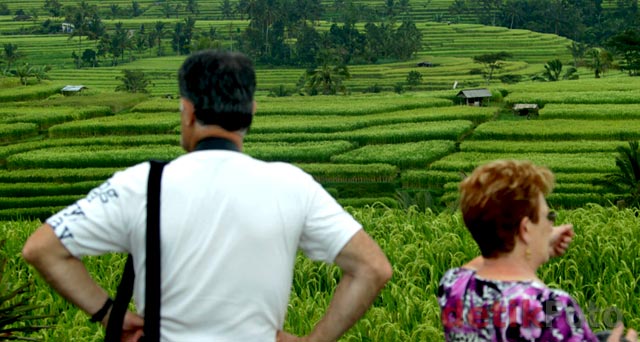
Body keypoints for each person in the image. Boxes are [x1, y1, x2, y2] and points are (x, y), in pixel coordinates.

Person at [22, 50, 392, 341]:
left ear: (188, 111)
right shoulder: (291, 184)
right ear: (251, 112)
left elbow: (42, 248)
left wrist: (109, 314)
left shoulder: (141, 184)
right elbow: (372, 268)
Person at [437, 159, 637, 342]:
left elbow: (491, 251)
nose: (551, 224)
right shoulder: (549, 307)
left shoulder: (454, 286)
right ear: (525, 229)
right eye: (547, 217)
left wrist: (536, 241)